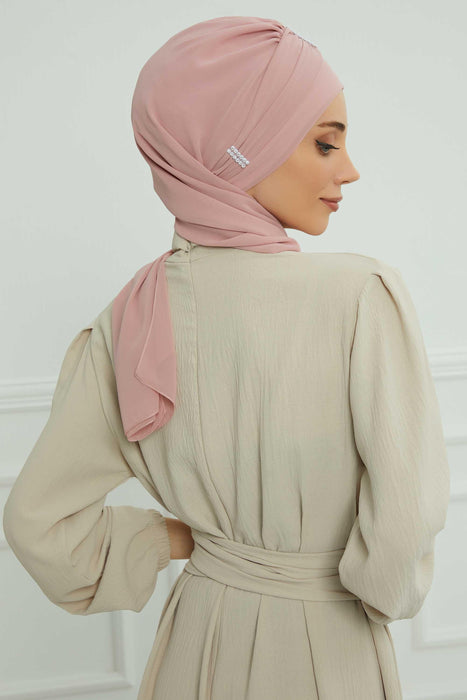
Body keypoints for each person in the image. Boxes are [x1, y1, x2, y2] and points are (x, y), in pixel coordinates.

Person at [3, 16, 450, 700]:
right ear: (243, 149)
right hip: (329, 645)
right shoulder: (360, 294)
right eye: (324, 143)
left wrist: (185, 542)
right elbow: (403, 528)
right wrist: (360, 593)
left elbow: (39, 525)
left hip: (197, 642)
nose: (349, 170)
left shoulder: (130, 317)